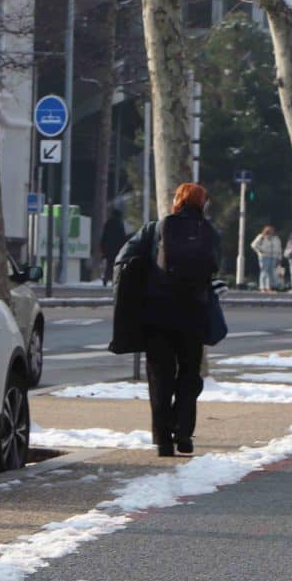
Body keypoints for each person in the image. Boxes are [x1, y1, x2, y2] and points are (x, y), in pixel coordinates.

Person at [115, 182, 222, 456]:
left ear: (177, 201)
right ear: (202, 204)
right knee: (188, 376)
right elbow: (214, 267)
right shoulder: (210, 232)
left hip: (157, 316)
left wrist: (129, 296)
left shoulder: (155, 229)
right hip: (194, 316)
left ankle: (163, 440)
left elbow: (123, 260)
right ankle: (184, 435)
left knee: (160, 377)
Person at [99, 208, 128, 286]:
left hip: (108, 248)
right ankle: (113, 279)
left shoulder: (108, 222)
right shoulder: (119, 223)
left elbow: (104, 236)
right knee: (116, 264)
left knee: (109, 263)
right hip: (117, 248)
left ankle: (106, 278)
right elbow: (122, 236)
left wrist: (102, 246)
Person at [251, 225, 282, 293]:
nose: (271, 232)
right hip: (264, 256)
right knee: (264, 271)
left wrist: (279, 258)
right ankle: (262, 287)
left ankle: (269, 287)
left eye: (272, 230)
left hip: (273, 256)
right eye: (270, 231)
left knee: (271, 272)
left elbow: (279, 248)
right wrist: (260, 251)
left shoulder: (276, 238)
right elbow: (253, 245)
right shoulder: (261, 237)